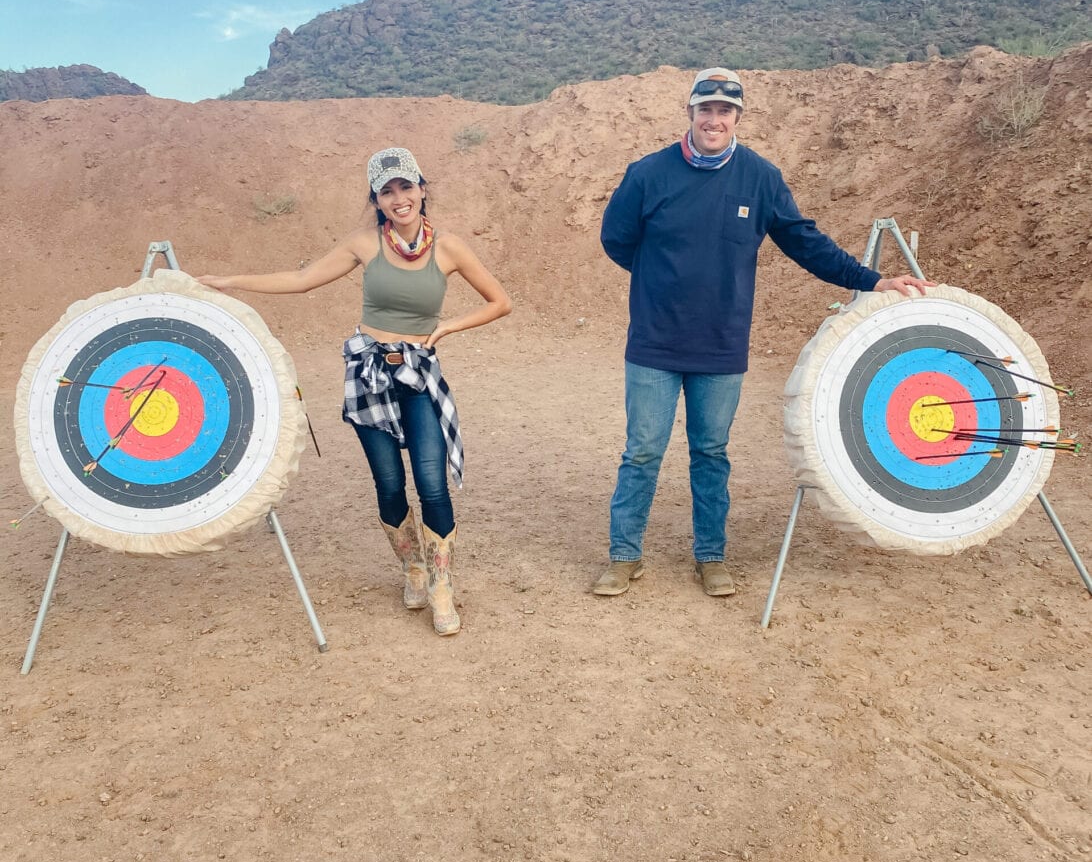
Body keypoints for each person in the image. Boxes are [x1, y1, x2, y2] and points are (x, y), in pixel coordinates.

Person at [593, 67, 928, 599]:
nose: (714, 118)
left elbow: (804, 241)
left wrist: (873, 279)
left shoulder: (760, 178)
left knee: (711, 452)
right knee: (642, 451)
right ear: (691, 113)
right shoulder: (647, 174)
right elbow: (616, 239)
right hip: (655, 344)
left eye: (725, 111)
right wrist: (662, 281)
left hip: (723, 346)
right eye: (706, 109)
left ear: (738, 118)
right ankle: (624, 555)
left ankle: (710, 557)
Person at [200, 146, 512, 636]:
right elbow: (302, 280)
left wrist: (447, 328)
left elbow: (500, 302)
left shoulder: (449, 248)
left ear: (421, 189)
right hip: (368, 375)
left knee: (431, 484)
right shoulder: (365, 244)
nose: (399, 198)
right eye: (386, 192)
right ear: (378, 200)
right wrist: (229, 281)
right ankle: (412, 567)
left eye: (406, 187)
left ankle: (442, 587)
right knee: (389, 485)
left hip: (419, 376)